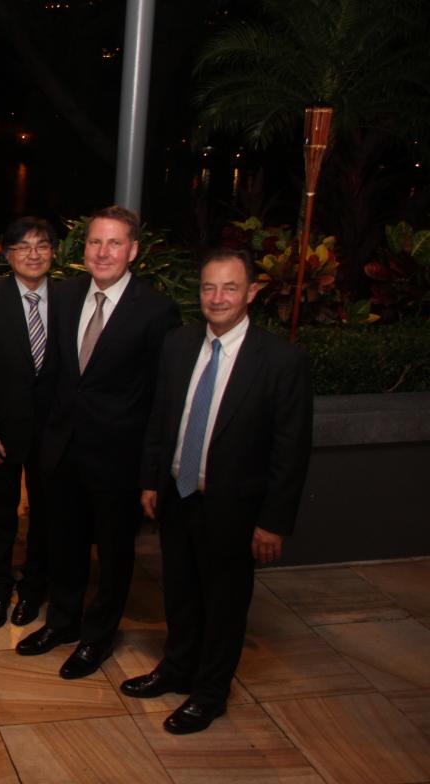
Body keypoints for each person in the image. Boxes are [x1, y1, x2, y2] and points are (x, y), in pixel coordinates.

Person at [126, 248, 312, 734]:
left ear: (251, 292)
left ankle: (209, 693)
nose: (217, 297)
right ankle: (176, 668)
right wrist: (151, 479)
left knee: (225, 603)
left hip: (235, 507)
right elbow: (160, 419)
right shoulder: (178, 344)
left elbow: (291, 452)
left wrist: (273, 521)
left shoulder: (280, 360)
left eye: (230, 288)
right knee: (181, 592)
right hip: (178, 496)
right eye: (209, 287)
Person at [18, 206, 180, 679]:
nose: (102, 252)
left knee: (113, 554)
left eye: (113, 243)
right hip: (64, 451)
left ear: (132, 250)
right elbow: (52, 376)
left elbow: (160, 397)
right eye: (94, 242)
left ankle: (97, 638)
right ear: (83, 249)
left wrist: (150, 469)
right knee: (63, 543)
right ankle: (62, 624)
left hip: (118, 459)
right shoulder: (64, 296)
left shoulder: (156, 310)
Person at [0, 217, 59, 629]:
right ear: (7, 255)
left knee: (45, 513)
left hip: (53, 434)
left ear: (53, 252)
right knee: (1, 514)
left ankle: (34, 587)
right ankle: (0, 588)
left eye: (42, 245)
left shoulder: (71, 299)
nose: (34, 254)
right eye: (23, 247)